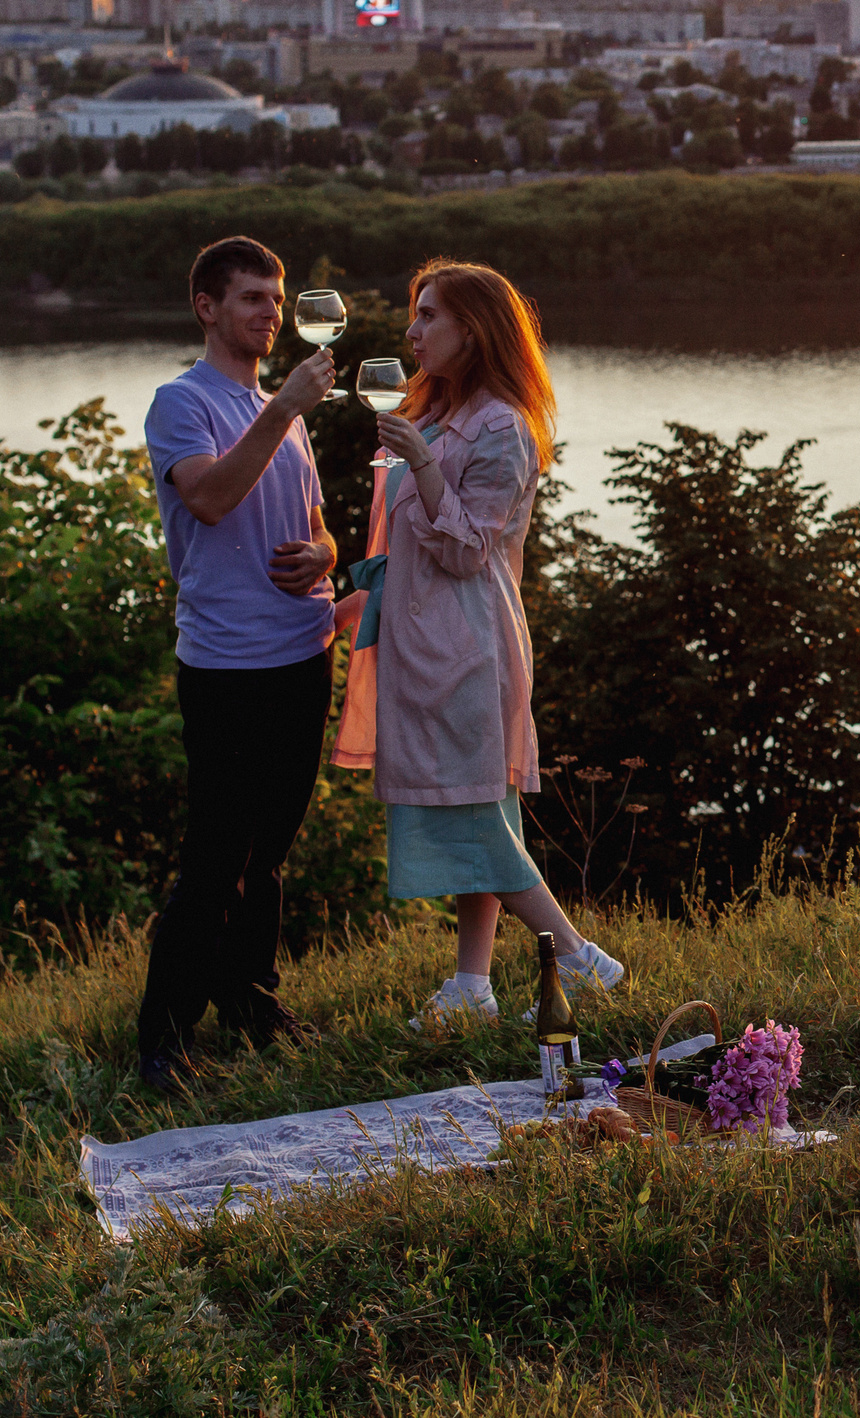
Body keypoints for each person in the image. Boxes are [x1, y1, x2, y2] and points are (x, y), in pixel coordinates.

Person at [331, 259, 622, 1027]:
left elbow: (467, 552)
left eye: (429, 316)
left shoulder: (501, 427)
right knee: (477, 808)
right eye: (414, 314)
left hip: (466, 645)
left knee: (473, 816)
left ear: (475, 328)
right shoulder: (434, 413)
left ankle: (579, 958)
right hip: (423, 634)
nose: (412, 330)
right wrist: (357, 598)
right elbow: (409, 545)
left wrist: (422, 462)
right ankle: (472, 982)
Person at [134, 236, 340, 1092]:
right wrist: (284, 409)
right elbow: (212, 500)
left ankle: (252, 1001)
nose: (270, 313)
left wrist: (324, 557)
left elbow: (320, 522)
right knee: (219, 853)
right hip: (227, 665)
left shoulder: (273, 411)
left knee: (271, 850)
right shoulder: (182, 403)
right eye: (252, 297)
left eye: (277, 297)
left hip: (305, 649)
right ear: (207, 308)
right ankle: (163, 1039)